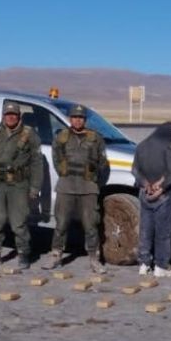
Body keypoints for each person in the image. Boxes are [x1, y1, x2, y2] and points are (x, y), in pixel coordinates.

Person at [45, 104, 109, 274]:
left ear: (85, 120)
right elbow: (56, 159)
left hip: (88, 188)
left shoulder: (95, 138)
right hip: (66, 186)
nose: (77, 120)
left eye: (80, 118)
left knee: (91, 225)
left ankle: (94, 259)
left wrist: (94, 181)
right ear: (70, 119)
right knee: (61, 224)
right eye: (74, 117)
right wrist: (64, 173)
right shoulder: (62, 137)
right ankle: (56, 255)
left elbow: (103, 162)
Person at [0, 101, 43, 269]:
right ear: (3, 116)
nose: (10, 118)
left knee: (18, 222)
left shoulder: (29, 134)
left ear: (19, 116)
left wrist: (35, 187)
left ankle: (23, 254)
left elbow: (37, 163)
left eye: (14, 115)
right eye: (8, 115)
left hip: (19, 185)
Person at [132, 122, 171, 278]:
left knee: (145, 231)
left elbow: (135, 170)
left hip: (145, 193)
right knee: (163, 232)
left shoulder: (141, 145)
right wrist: (161, 187)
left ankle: (144, 264)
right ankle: (161, 266)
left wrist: (146, 184)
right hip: (163, 197)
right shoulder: (168, 147)